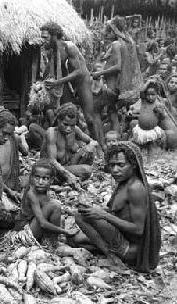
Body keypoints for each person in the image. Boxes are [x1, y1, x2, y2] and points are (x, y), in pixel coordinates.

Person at [73, 141, 161, 271]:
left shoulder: (135, 188)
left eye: (121, 165)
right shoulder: (124, 182)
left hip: (130, 250)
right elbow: (118, 211)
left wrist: (103, 215)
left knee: (80, 217)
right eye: (112, 165)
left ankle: (111, 255)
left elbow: (138, 229)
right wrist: (95, 209)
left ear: (134, 165)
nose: (115, 170)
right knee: (77, 239)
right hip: (122, 236)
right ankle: (107, 249)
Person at [40, 21, 104, 150]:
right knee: (68, 114)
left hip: (82, 81)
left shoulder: (69, 47)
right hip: (68, 84)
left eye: (45, 37)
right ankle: (79, 146)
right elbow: (50, 71)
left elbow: (79, 71)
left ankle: (101, 147)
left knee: (90, 118)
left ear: (54, 35)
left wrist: (57, 82)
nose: (43, 40)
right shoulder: (53, 51)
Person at [93, 16, 143, 133]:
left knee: (94, 112)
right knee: (112, 113)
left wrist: (99, 73)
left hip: (112, 87)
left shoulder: (116, 44)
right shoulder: (125, 42)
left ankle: (102, 139)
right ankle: (115, 137)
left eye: (107, 30)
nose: (105, 33)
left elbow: (118, 67)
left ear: (113, 31)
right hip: (117, 87)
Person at [14, 159, 75, 240]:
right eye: (37, 177)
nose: (40, 182)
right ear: (31, 177)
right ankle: (53, 242)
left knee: (60, 217)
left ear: (51, 180)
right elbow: (42, 223)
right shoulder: (31, 194)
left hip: (34, 223)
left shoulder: (43, 190)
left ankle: (52, 238)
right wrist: (64, 231)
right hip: (26, 231)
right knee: (55, 205)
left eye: (45, 178)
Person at [41, 103, 98, 187]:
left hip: (68, 165)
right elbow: (52, 161)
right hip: (52, 170)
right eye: (65, 124)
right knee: (87, 170)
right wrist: (68, 175)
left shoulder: (75, 130)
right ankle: (69, 180)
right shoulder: (51, 133)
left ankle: (71, 180)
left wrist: (91, 146)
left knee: (89, 149)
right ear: (58, 120)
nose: (68, 129)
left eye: (72, 125)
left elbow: (93, 141)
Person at [130, 81, 167, 157]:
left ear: (157, 94)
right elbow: (141, 91)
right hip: (141, 130)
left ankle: (150, 162)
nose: (150, 97)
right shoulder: (144, 102)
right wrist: (148, 82)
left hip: (151, 131)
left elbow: (164, 117)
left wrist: (161, 112)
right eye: (148, 95)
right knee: (138, 146)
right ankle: (138, 158)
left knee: (151, 146)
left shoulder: (159, 104)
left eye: (153, 95)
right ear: (145, 95)